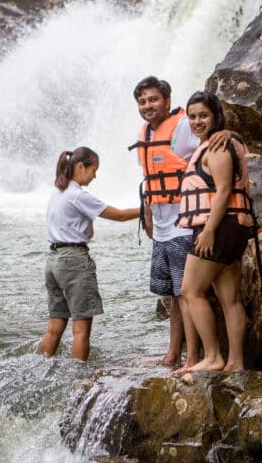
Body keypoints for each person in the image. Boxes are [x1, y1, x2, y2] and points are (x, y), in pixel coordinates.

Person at [130, 77, 228, 368]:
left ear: (167, 100)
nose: (148, 106)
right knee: (174, 296)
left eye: (153, 99)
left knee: (187, 294)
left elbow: (213, 133)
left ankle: (193, 358)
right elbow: (149, 179)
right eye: (143, 101)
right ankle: (173, 354)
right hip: (160, 227)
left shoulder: (184, 124)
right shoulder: (145, 132)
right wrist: (146, 215)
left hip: (184, 222)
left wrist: (229, 135)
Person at [177, 91, 255, 372]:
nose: (197, 121)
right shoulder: (220, 141)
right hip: (233, 226)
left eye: (203, 115)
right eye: (193, 116)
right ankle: (236, 363)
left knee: (191, 291)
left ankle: (212, 357)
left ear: (215, 116)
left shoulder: (218, 147)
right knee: (229, 298)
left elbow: (223, 191)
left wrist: (208, 230)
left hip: (219, 226)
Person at [41, 147, 139, 361]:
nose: (95, 175)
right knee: (81, 329)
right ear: (80, 167)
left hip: (53, 260)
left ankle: (40, 368)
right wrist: (148, 209)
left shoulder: (57, 192)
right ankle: (79, 380)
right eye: (93, 169)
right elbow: (120, 216)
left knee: (54, 328)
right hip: (73, 261)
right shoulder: (77, 195)